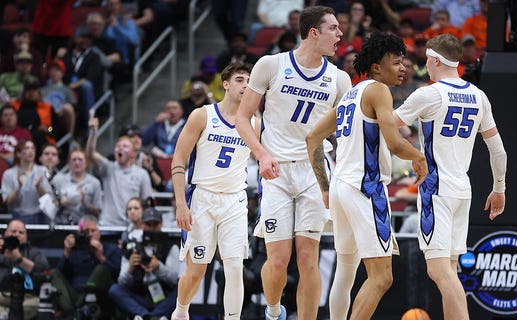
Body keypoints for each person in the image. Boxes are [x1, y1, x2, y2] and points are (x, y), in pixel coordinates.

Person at [235, 6, 352, 320]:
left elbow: (346, 135)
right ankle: (274, 312)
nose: (340, 35)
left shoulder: (339, 79)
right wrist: (261, 154)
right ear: (314, 32)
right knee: (277, 260)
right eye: (334, 29)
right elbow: (242, 118)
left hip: (315, 172)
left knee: (307, 257)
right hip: (276, 171)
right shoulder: (271, 65)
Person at [306, 31, 427, 319]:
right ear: (376, 67)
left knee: (346, 271)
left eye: (404, 62)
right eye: (396, 62)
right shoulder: (378, 90)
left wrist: (325, 186)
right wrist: (419, 156)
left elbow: (312, 138)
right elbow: (396, 143)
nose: (403, 68)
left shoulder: (351, 94)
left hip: (341, 187)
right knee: (382, 277)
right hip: (366, 188)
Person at [393, 34, 507, 319]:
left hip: (436, 189)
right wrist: (499, 188)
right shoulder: (478, 96)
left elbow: (386, 125)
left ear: (434, 59)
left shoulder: (428, 94)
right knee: (450, 271)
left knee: (439, 270)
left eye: (426, 61)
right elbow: (499, 150)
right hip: (461, 189)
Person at [170, 62, 253, 320]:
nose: (246, 85)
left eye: (250, 80)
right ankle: (181, 312)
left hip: (234, 200)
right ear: (225, 84)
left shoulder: (255, 123)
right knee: (196, 271)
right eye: (240, 79)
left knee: (234, 268)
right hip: (202, 198)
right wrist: (181, 203)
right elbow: (178, 161)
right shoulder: (202, 115)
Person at [109, 207, 179, 319]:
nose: (151, 228)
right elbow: (122, 281)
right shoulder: (132, 246)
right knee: (115, 290)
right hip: (139, 295)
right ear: (142, 224)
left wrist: (159, 267)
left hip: (162, 297)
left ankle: (149, 316)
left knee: (181, 289)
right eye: (148, 224)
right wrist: (130, 268)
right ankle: (148, 316)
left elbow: (174, 279)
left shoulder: (170, 246)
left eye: (155, 224)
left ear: (161, 224)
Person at [86, 115, 152, 227]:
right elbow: (90, 154)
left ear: (132, 153)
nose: (120, 148)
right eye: (118, 146)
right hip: (108, 225)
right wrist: (93, 133)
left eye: (125, 146)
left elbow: (147, 202)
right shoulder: (109, 168)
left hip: (131, 227)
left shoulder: (142, 174)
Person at [52, 214, 122, 318]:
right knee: (53, 273)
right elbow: (61, 275)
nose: (90, 235)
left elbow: (119, 275)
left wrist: (101, 257)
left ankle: (74, 313)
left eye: (93, 231)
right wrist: (66, 252)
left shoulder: (110, 249)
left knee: (101, 269)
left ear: (99, 232)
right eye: (86, 232)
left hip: (100, 295)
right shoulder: (75, 250)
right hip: (75, 293)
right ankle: (74, 311)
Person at [0, 219, 50, 319]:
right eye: (13, 231)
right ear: (5, 233)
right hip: (1, 295)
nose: (17, 234)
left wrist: (19, 259)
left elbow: (43, 270)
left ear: (26, 236)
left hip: (28, 297)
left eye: (21, 232)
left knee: (31, 306)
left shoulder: (34, 252)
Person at [1, 139, 54, 224]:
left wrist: (39, 187)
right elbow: (8, 203)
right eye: (27, 148)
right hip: (17, 216)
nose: (31, 151)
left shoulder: (43, 171)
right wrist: (18, 187)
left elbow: (49, 200)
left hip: (39, 216)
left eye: (33, 148)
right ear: (18, 153)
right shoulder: (9, 174)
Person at [52, 148, 102, 224]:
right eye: (74, 160)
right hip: (63, 225)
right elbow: (49, 207)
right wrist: (61, 203)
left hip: (86, 226)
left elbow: (98, 212)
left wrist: (86, 203)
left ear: (86, 163)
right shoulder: (58, 180)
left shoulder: (94, 183)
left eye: (80, 160)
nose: (77, 163)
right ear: (68, 163)